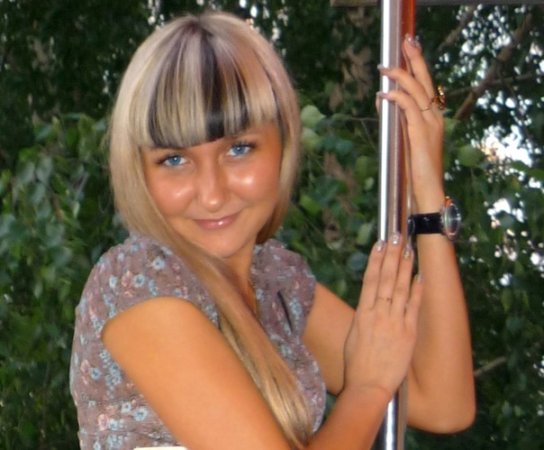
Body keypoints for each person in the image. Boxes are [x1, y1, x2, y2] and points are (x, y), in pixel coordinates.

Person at [69, 10, 475, 450]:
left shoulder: (277, 287)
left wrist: (427, 193)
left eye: (238, 149)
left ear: (282, 143)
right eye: (174, 159)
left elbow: (445, 403)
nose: (211, 194)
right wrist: (368, 388)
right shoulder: (137, 283)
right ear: (140, 170)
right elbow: (389, 390)